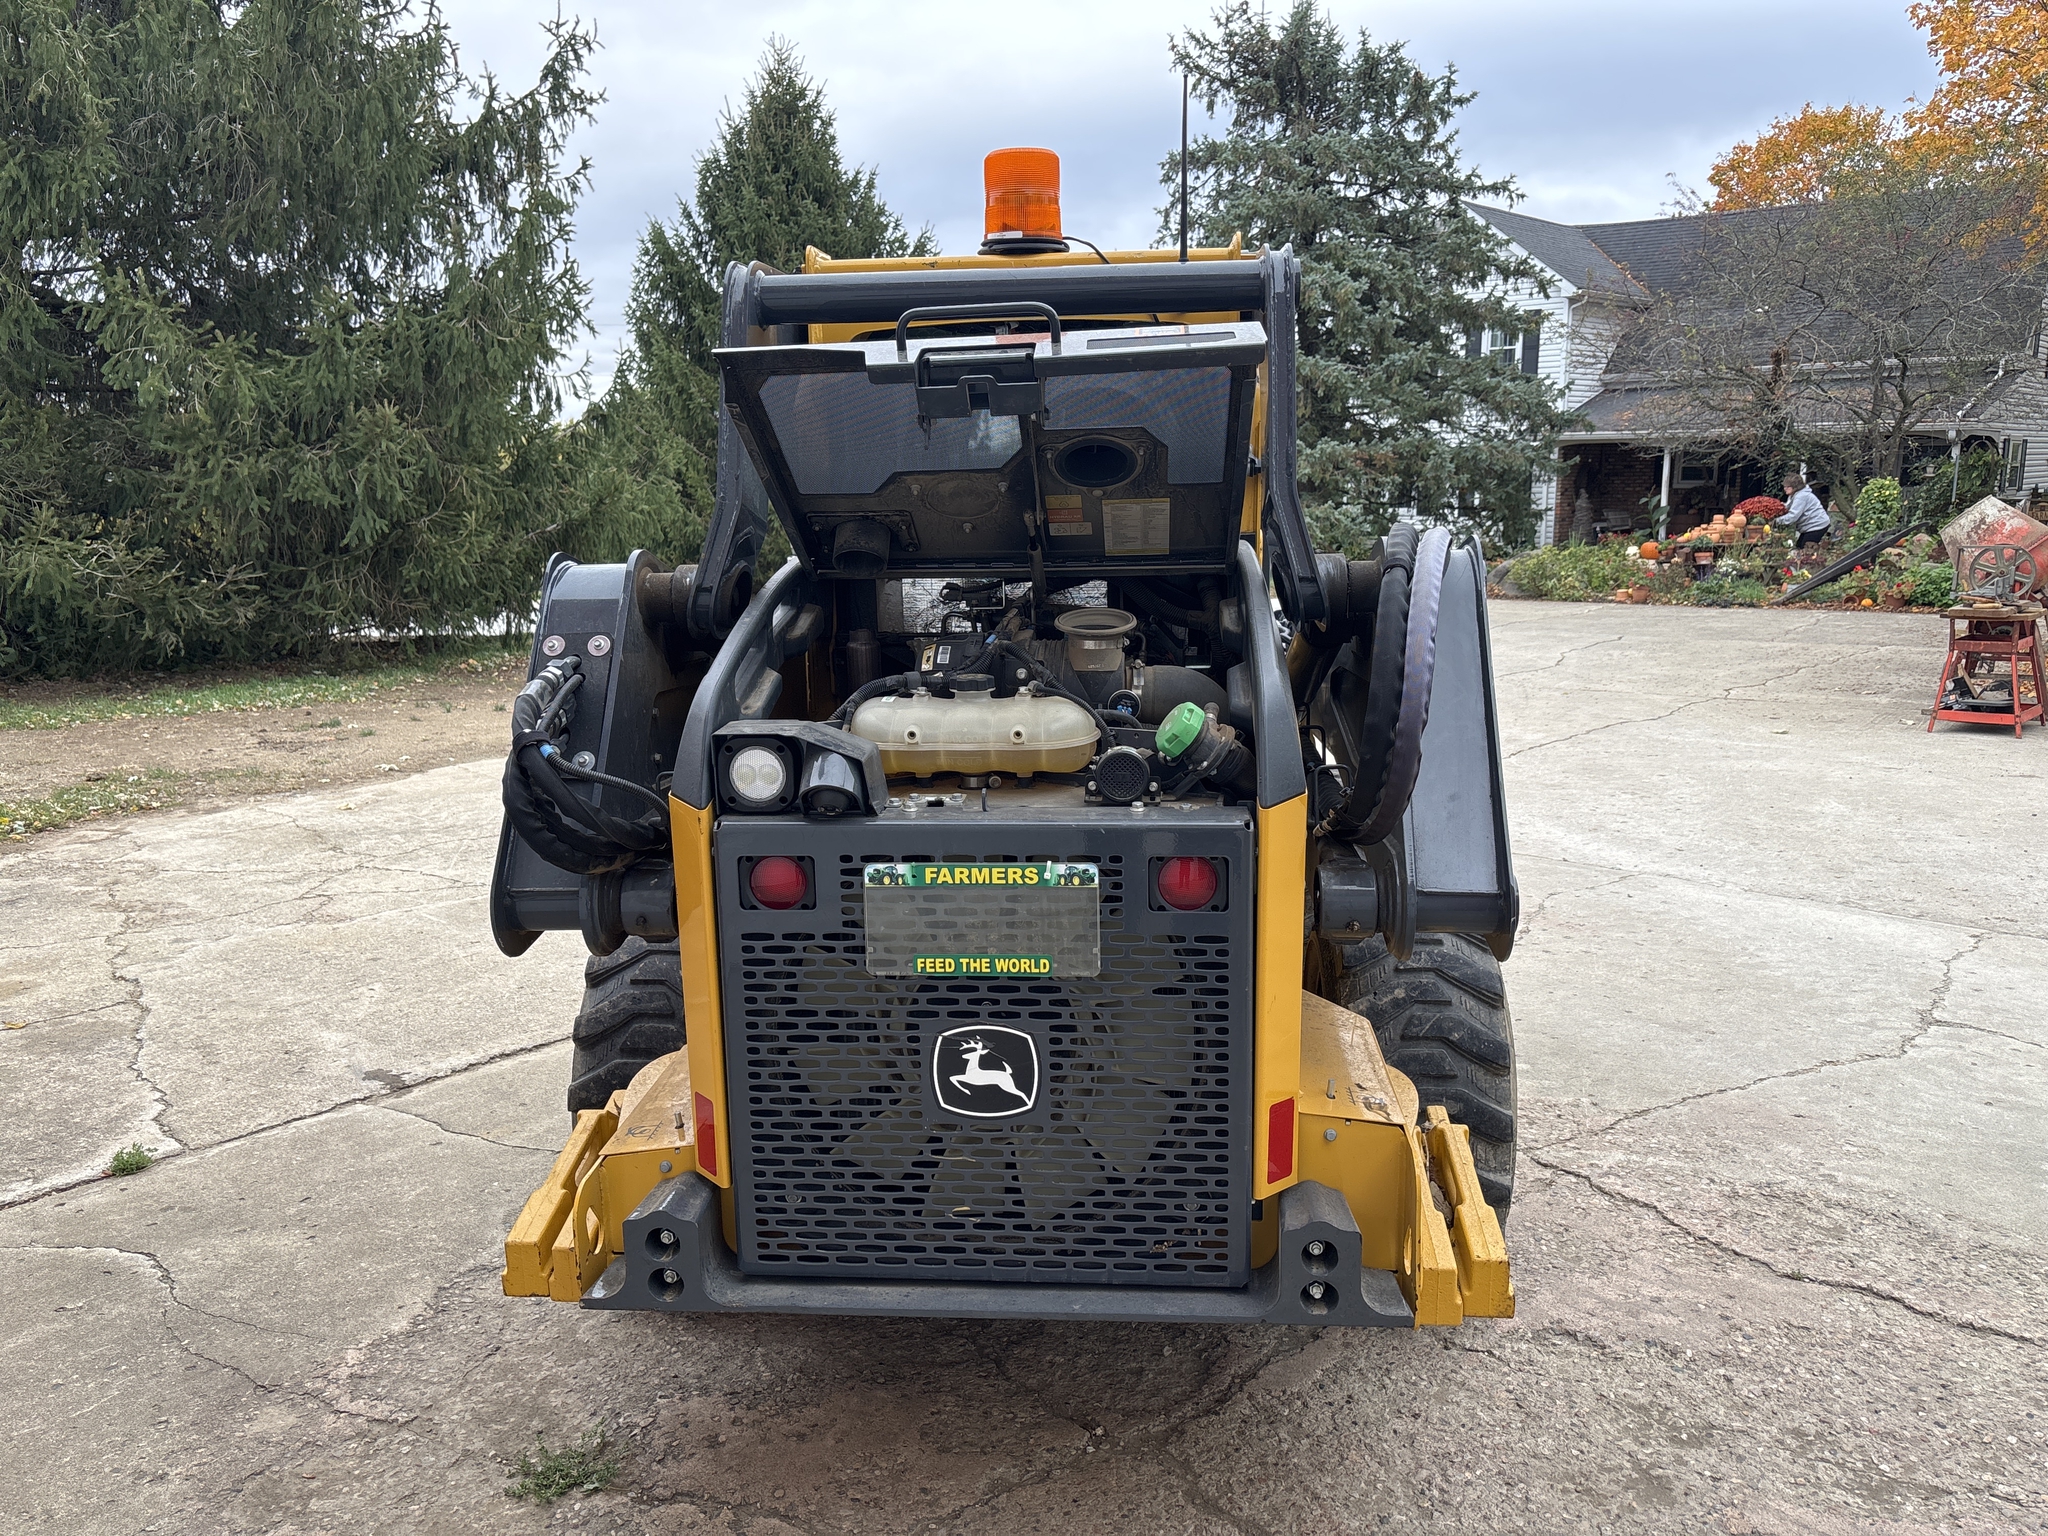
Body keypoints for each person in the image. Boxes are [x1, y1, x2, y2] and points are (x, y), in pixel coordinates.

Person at [1774, 474, 1831, 547]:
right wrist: (1776, 507)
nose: (1785, 488)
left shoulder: (1801, 496)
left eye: (1788, 487)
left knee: (1805, 549)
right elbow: (1788, 507)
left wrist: (1776, 521)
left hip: (1816, 526)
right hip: (1811, 526)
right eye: (1785, 486)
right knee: (1799, 547)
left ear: (1795, 487)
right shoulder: (1795, 495)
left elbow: (1793, 516)